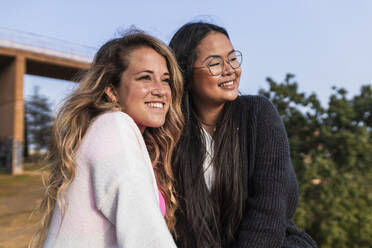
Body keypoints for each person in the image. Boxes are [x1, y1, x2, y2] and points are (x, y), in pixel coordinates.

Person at [169, 22, 318, 248]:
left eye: (232, 58)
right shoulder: (173, 133)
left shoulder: (258, 114)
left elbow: (269, 207)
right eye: (215, 63)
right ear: (186, 73)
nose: (229, 69)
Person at [31, 30, 184, 248]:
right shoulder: (114, 127)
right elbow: (146, 238)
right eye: (145, 77)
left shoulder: (118, 134)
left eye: (166, 80)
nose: (161, 90)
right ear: (112, 91)